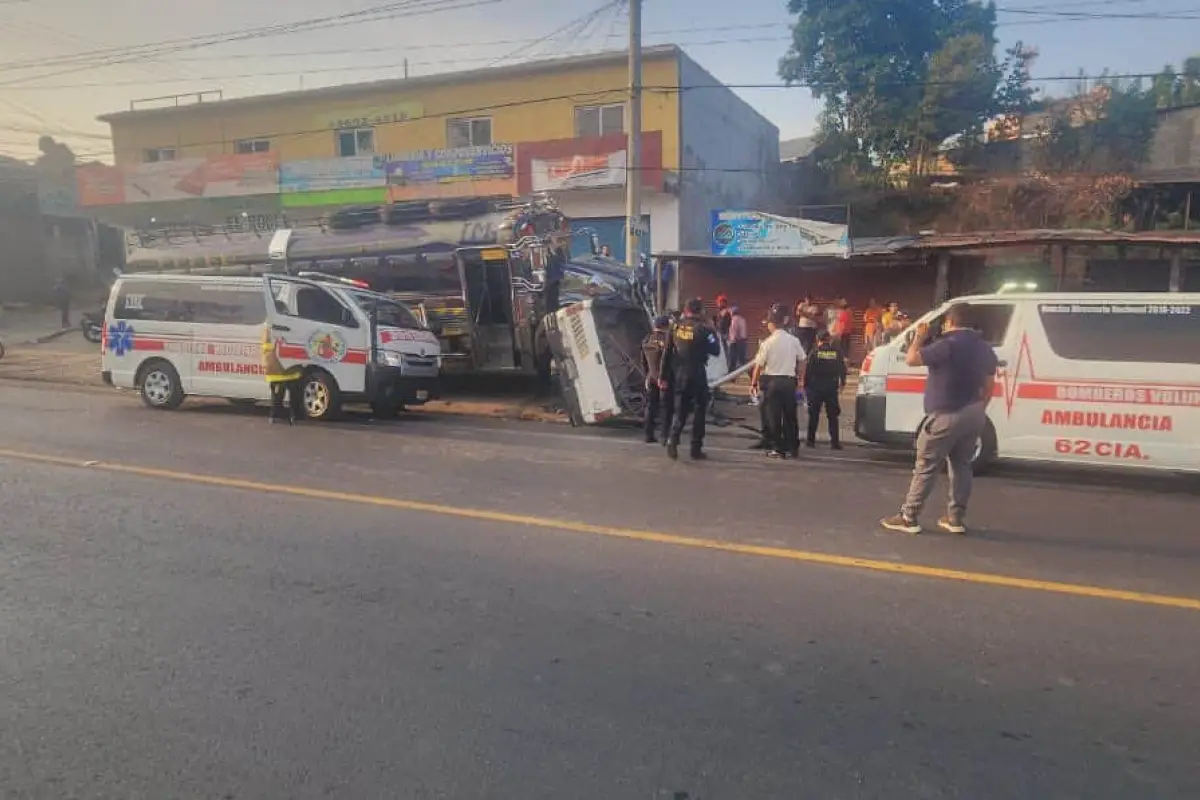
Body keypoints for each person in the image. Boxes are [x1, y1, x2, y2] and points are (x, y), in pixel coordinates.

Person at [881, 304, 998, 536]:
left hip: (946, 415)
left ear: (949, 322)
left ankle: (909, 517)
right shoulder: (984, 348)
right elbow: (989, 385)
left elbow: (912, 359)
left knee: (926, 466)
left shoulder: (947, 345)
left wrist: (919, 337)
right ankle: (955, 518)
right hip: (974, 413)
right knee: (962, 466)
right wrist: (978, 409)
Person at [661, 297, 721, 460]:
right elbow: (716, 350)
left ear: (686, 310)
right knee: (699, 411)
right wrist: (713, 330)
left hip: (679, 373)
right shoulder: (704, 329)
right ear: (700, 311)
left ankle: (673, 441)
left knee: (680, 410)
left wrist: (663, 377)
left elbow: (667, 353)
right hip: (697, 373)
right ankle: (695, 448)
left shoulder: (675, 327)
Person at [749, 304, 806, 459]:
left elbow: (758, 366)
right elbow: (802, 360)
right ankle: (793, 448)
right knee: (790, 416)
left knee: (774, 416)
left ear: (772, 324)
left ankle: (778, 448)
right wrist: (801, 381)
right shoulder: (793, 340)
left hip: (773, 382)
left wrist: (753, 384)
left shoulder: (767, 342)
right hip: (789, 382)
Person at [803, 330, 847, 449]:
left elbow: (808, 371)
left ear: (818, 340)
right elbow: (842, 368)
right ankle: (835, 443)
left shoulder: (814, 353)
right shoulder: (836, 353)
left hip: (816, 387)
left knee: (814, 415)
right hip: (831, 387)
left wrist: (805, 386)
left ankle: (810, 441)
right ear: (829, 339)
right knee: (833, 416)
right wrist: (842, 382)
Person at [639, 315, 673, 444]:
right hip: (665, 378)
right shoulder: (668, 340)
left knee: (650, 407)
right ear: (666, 326)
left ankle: (648, 435)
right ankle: (664, 436)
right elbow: (670, 360)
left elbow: (642, 361)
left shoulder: (647, 339)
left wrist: (646, 376)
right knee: (666, 408)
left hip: (651, 377)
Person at [262, 325, 303, 424]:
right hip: (287, 369)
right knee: (293, 394)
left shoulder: (268, 327)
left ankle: (274, 416)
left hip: (276, 368)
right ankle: (293, 416)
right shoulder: (289, 325)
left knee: (277, 395)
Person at [726, 304, 748, 373]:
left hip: (735, 341)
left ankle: (731, 376)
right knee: (742, 360)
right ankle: (751, 374)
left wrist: (731, 340)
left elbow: (734, 330)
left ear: (732, 312)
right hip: (743, 340)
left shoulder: (734, 319)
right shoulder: (742, 319)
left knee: (732, 359)